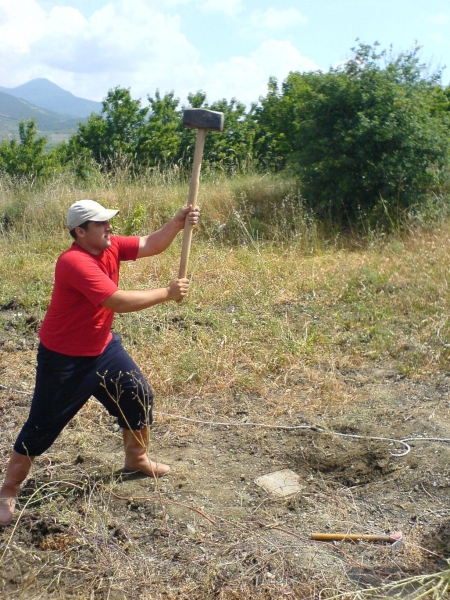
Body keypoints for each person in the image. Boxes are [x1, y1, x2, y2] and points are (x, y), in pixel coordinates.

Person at [0, 199, 200, 527]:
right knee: (41, 424)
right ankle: (8, 489)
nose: (110, 228)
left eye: (109, 222)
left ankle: (136, 459)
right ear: (80, 232)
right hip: (64, 358)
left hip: (102, 348)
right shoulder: (73, 262)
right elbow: (116, 301)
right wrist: (167, 292)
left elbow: (150, 244)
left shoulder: (109, 245)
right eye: (101, 224)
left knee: (137, 393)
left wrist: (177, 223)